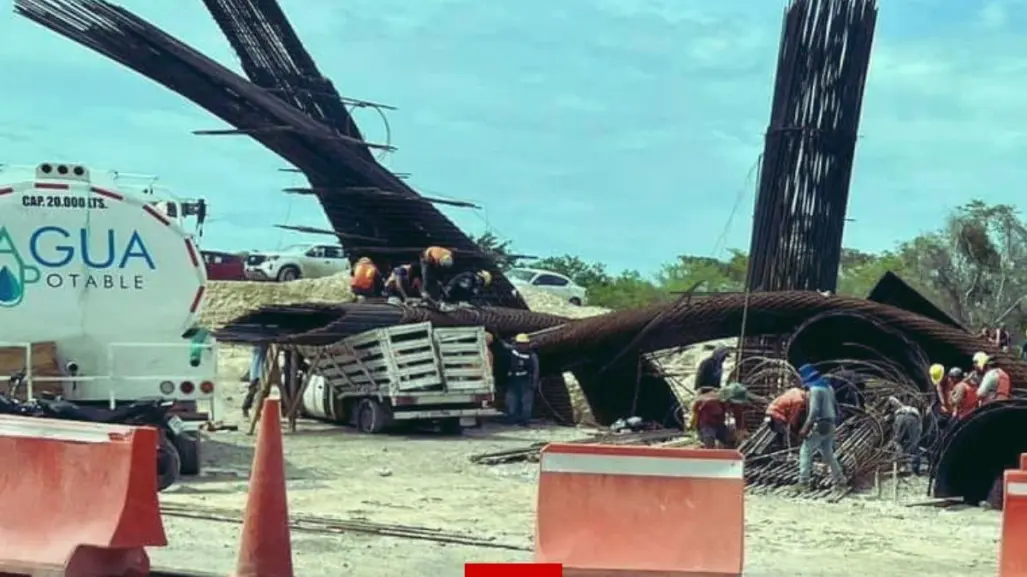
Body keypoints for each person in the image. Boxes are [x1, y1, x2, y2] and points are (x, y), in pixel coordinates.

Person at [796, 364, 846, 489]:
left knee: (805, 450)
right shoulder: (829, 388)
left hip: (821, 424)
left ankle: (803, 482)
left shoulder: (815, 390)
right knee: (828, 453)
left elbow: (814, 412)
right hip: (831, 423)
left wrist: (805, 428)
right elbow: (835, 407)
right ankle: (840, 480)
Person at [689, 382, 750, 449]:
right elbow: (699, 418)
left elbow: (738, 415)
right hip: (707, 424)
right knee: (709, 443)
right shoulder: (710, 403)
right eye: (731, 404)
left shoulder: (734, 403)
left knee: (730, 439)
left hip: (719, 423)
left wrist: (740, 429)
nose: (733, 406)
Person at [497, 333, 539, 426]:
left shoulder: (532, 355)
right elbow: (504, 346)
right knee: (511, 400)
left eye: (524, 343)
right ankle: (512, 418)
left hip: (526, 381)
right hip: (513, 380)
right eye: (520, 343)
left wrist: (534, 383)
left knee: (526, 402)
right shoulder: (512, 352)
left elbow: (536, 370)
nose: (522, 345)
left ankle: (525, 421)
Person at [888, 396, 922, 475]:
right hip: (913, 418)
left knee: (898, 442)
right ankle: (915, 469)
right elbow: (919, 429)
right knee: (915, 444)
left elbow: (891, 398)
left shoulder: (900, 408)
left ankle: (901, 466)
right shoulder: (915, 410)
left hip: (900, 416)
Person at [242, 343, 268, 418]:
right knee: (253, 391)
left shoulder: (259, 347)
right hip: (258, 372)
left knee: (259, 392)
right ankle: (246, 408)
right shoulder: (260, 347)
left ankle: (255, 410)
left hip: (258, 372)